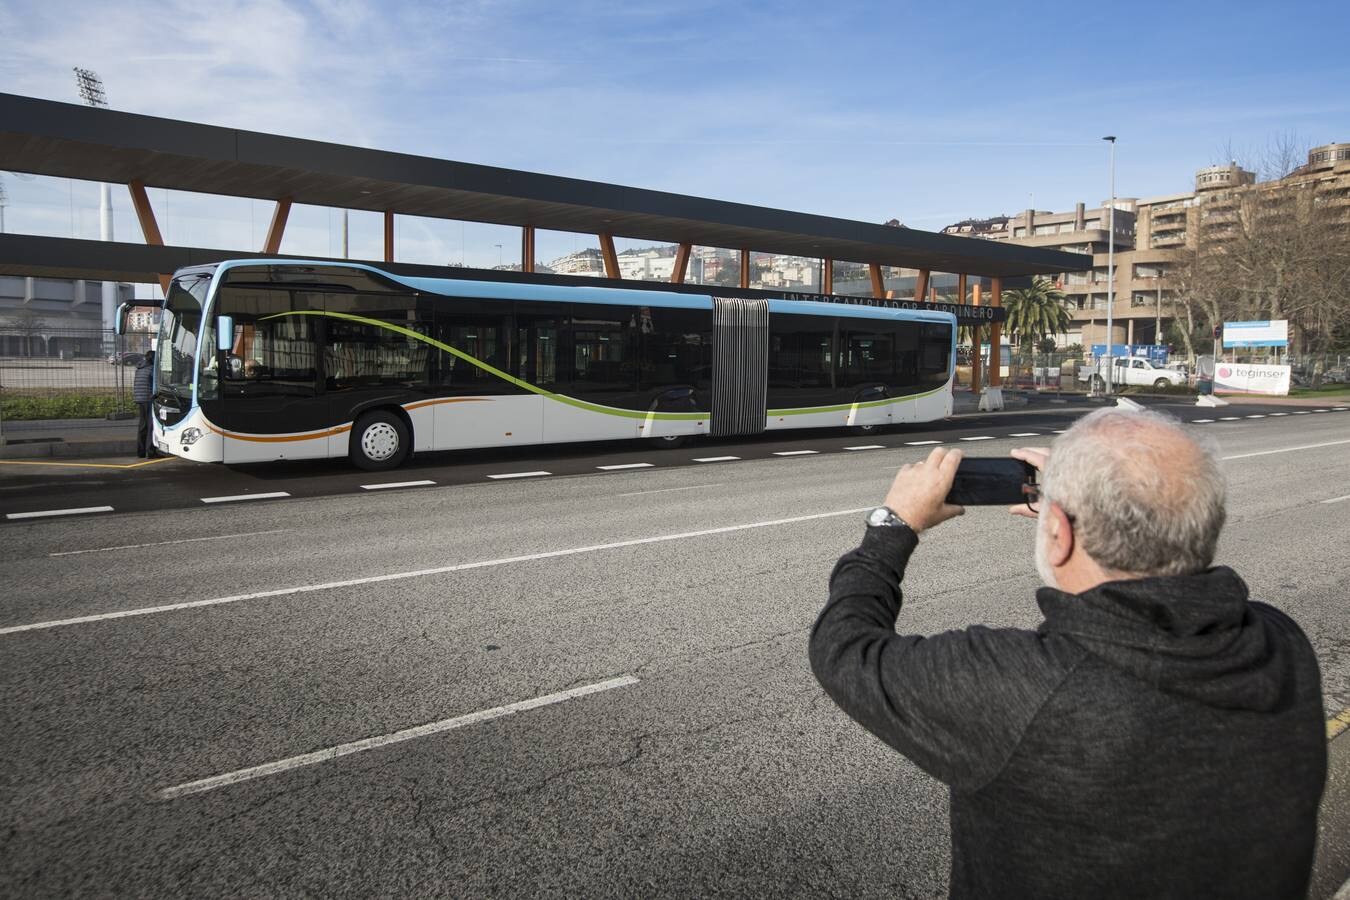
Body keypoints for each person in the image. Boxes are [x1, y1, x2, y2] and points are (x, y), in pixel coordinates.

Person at [809, 408, 1326, 899]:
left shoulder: (1024, 687)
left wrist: (892, 525)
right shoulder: (1281, 645)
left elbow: (843, 647)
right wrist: (1102, 494)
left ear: (1057, 534)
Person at [132, 349, 156, 458]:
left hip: (139, 399)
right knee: (150, 426)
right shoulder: (151, 369)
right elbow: (155, 386)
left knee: (142, 426)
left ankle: (140, 452)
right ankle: (150, 452)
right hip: (148, 399)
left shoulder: (139, 368)